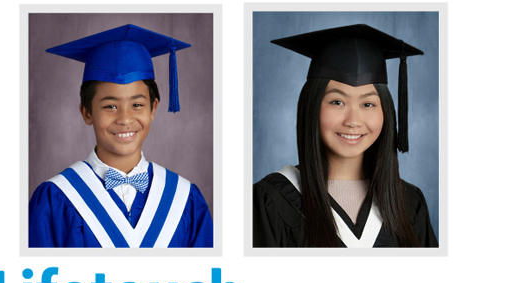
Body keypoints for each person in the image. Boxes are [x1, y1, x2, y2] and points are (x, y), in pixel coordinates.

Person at [252, 24, 438, 248]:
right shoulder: (273, 199)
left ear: (385, 112)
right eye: (337, 102)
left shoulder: (408, 202)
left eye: (368, 103)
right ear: (312, 107)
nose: (353, 120)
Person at [29, 24, 213, 248]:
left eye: (137, 104)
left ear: (153, 108)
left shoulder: (184, 198)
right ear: (87, 112)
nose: (125, 119)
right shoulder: (55, 199)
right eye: (110, 106)